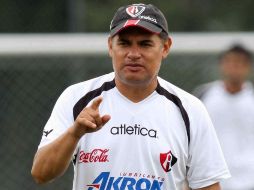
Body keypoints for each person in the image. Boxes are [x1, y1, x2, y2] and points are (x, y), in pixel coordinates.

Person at [31, 3, 230, 190]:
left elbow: (208, 185)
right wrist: (74, 134)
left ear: (166, 47)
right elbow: (41, 174)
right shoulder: (77, 98)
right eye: (124, 44)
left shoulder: (190, 109)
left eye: (145, 44)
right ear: (110, 46)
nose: (133, 54)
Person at [193, 44, 254, 190]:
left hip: (249, 178)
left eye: (240, 62)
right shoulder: (203, 94)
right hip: (211, 178)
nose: (235, 67)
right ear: (221, 65)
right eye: (230, 62)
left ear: (249, 67)